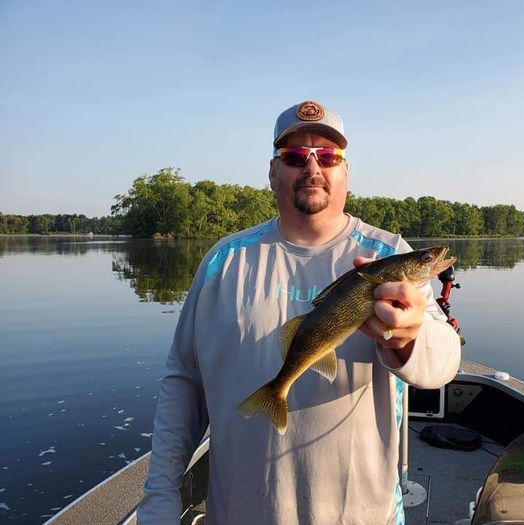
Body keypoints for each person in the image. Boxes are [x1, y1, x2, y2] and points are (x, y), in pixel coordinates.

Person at [137, 100, 461, 524]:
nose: (312, 168)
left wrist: (409, 337)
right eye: (294, 157)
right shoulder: (223, 263)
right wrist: (159, 496)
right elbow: (184, 382)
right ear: (272, 173)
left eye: (328, 157)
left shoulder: (390, 254)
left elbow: (443, 364)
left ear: (345, 172)